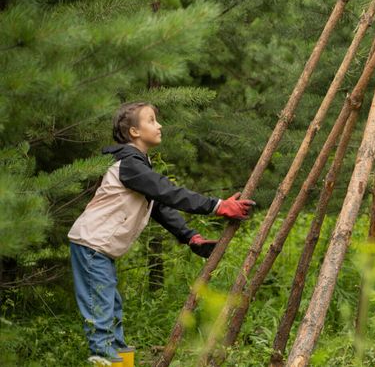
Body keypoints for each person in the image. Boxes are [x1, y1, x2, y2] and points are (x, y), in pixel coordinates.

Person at [68, 102, 256, 366]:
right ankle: (106, 360)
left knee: (112, 312)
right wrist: (217, 205)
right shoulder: (129, 164)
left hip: (99, 249)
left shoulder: (137, 165)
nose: (159, 125)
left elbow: (160, 206)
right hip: (91, 246)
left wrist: (190, 236)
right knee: (102, 319)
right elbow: (167, 191)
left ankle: (122, 362)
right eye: (152, 120)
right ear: (134, 131)